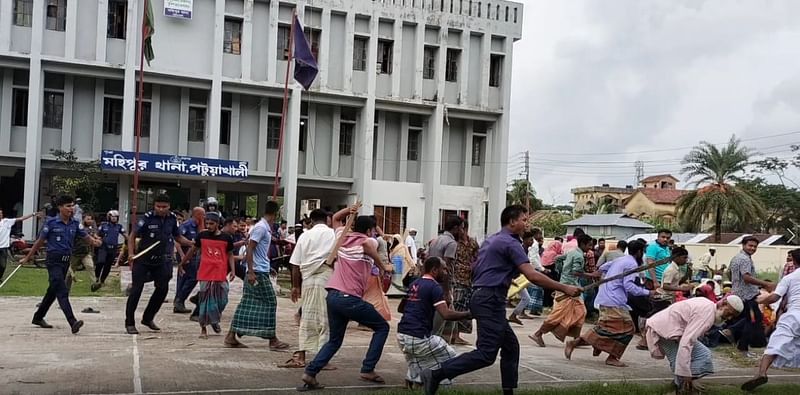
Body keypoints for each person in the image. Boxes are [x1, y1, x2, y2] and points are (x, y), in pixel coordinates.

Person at [420, 205, 581, 395]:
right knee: (486, 354)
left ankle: (508, 391)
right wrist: (565, 288)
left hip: (483, 296)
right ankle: (436, 374)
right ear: (512, 221)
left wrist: (501, 274)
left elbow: (475, 269)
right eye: (524, 219)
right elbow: (532, 275)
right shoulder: (511, 243)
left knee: (511, 347)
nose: (526, 223)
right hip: (490, 299)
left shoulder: (492, 240)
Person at [299, 213, 394, 390]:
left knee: (334, 340)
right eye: (373, 230)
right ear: (368, 230)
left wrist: (349, 209)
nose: (374, 234)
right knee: (382, 327)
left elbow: (335, 218)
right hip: (349, 298)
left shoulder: (343, 237)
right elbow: (367, 243)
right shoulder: (369, 241)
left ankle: (310, 373)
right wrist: (384, 266)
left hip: (333, 296)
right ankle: (368, 369)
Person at [564, 240, 655, 367]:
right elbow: (628, 286)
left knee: (608, 328)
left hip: (607, 297)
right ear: (639, 252)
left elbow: (603, 267)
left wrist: (600, 274)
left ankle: (592, 346)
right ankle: (611, 356)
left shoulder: (621, 260)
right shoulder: (632, 264)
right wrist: (647, 293)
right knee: (627, 330)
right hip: (614, 300)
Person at [20, 195, 101, 334]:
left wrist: (95, 242)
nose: (71, 208)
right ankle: (72, 321)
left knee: (52, 291)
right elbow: (40, 241)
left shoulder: (75, 223)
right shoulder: (51, 222)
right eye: (68, 206)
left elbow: (85, 237)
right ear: (60, 207)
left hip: (65, 261)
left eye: (72, 206)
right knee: (62, 291)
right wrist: (28, 257)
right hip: (53, 261)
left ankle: (38, 317)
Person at [397, 257, 471, 389]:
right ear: (434, 270)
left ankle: (413, 380)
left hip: (402, 335)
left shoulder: (415, 283)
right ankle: (438, 383)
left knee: (419, 358)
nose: (446, 272)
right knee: (449, 355)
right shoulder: (434, 287)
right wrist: (470, 314)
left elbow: (401, 308)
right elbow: (446, 314)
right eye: (444, 269)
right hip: (417, 337)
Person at [224, 201, 290, 350]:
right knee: (270, 302)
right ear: (276, 214)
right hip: (257, 272)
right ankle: (272, 339)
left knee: (248, 302)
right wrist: (252, 271)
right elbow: (250, 249)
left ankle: (231, 335)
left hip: (261, 269)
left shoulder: (264, 228)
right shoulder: (260, 228)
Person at [645, 296, 743, 394]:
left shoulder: (708, 305)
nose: (729, 318)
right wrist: (686, 373)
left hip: (667, 329)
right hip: (662, 331)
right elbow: (686, 343)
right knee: (680, 360)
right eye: (729, 313)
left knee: (703, 354)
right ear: (723, 304)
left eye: (732, 316)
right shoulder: (707, 315)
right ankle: (681, 387)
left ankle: (681, 383)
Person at [125, 194, 193, 335]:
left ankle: (148, 318)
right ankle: (130, 323)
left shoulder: (173, 219)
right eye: (158, 206)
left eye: (164, 207)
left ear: (169, 207)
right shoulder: (147, 218)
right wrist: (131, 254)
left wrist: (192, 243)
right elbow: (132, 235)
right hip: (143, 260)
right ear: (154, 206)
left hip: (162, 260)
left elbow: (178, 236)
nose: (161, 209)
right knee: (136, 290)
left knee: (162, 290)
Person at [282, 209, 336, 368]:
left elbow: (295, 264)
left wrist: (295, 286)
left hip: (307, 280)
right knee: (325, 318)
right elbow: (336, 259)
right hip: (326, 278)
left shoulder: (305, 235)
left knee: (307, 318)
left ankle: (301, 355)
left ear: (311, 221)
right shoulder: (332, 234)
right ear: (327, 219)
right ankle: (322, 359)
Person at [741, 249, 800, 391]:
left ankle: (761, 373)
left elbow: (775, 297)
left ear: (794, 261)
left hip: (794, 315)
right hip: (794, 313)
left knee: (774, 344)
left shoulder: (790, 278)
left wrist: (761, 301)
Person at [530, 234, 592, 347]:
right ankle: (538, 333)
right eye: (589, 245)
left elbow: (558, 259)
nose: (590, 248)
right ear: (583, 244)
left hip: (570, 285)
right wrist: (592, 275)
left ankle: (576, 339)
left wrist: (561, 272)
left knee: (580, 311)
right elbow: (576, 272)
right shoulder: (578, 256)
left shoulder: (573, 252)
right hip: (569, 287)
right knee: (559, 313)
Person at [180, 212, 235, 339]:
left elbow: (230, 254)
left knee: (223, 299)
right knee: (204, 301)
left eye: (212, 223)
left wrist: (232, 270)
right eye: (207, 223)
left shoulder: (226, 238)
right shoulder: (202, 236)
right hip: (205, 271)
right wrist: (182, 263)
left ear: (217, 224)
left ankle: (215, 320)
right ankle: (203, 329)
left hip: (220, 272)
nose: (209, 226)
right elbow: (192, 250)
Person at [724, 236, 773, 356]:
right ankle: (741, 346)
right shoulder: (744, 259)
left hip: (740, 292)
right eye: (750, 245)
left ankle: (735, 335)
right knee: (752, 320)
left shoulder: (736, 258)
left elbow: (729, 272)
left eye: (755, 246)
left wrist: (736, 284)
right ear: (743, 245)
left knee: (751, 319)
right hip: (747, 295)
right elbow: (746, 277)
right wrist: (765, 283)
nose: (753, 248)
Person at [428, 216, 465, 334]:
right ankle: (434, 339)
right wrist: (447, 291)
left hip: (431, 281)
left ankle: (450, 338)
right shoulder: (451, 243)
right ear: (455, 228)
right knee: (440, 318)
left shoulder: (436, 240)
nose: (462, 232)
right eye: (461, 228)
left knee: (451, 319)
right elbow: (445, 269)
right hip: (440, 285)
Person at [448, 222, 479, 343]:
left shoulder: (472, 242)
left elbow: (478, 256)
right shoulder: (454, 243)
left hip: (468, 279)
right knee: (456, 306)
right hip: (456, 278)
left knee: (464, 306)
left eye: (461, 228)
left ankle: (458, 334)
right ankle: (454, 334)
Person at [174, 207, 205, 315]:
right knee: (191, 277)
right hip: (185, 255)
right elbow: (177, 241)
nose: (204, 217)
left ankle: (179, 302)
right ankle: (179, 300)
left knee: (187, 279)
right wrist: (182, 256)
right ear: (197, 214)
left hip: (193, 256)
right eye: (203, 215)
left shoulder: (199, 226)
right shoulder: (186, 225)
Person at [0, 209, 40, 281]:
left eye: (1, 213)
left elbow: (21, 218)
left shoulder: (6, 222)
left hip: (3, 247)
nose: (0, 215)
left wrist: (33, 214)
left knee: (3, 265)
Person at [92, 210, 125, 292]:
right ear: (109, 217)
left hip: (113, 248)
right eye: (112, 217)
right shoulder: (104, 225)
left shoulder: (119, 226)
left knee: (108, 265)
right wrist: (97, 238)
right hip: (104, 247)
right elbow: (97, 234)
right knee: (100, 261)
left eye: (116, 217)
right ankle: (96, 277)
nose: (114, 219)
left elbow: (125, 234)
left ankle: (102, 280)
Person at [523, 229, 545, 317]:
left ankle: (533, 309)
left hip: (533, 268)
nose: (541, 236)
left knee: (532, 290)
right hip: (534, 268)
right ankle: (529, 309)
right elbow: (533, 258)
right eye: (539, 234)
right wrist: (541, 268)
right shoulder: (535, 244)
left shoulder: (534, 244)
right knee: (536, 289)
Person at [541, 240, 564, 308]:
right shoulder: (554, 253)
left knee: (545, 290)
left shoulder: (545, 252)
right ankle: (550, 304)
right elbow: (557, 266)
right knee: (552, 289)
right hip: (551, 273)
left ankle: (545, 304)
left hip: (544, 272)